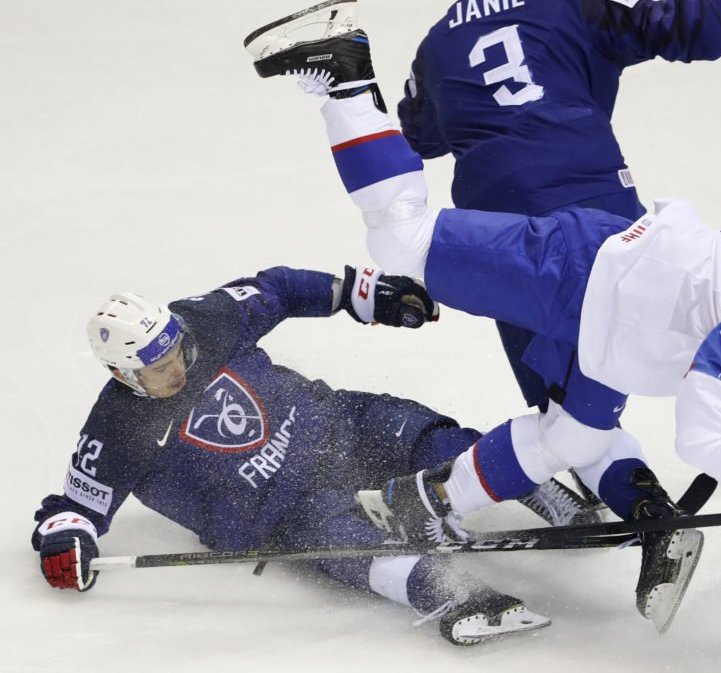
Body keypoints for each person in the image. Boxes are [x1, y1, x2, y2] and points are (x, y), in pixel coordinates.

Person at [246, 18, 721, 639]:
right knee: (400, 244)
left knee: (577, 434)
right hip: (586, 273)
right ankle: (344, 74)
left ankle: (421, 503)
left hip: (625, 331)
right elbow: (702, 427)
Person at [31, 265, 555, 645]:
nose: (178, 370)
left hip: (336, 423)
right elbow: (76, 508)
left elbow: (277, 289)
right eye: (158, 369)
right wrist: (65, 542)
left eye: (177, 353)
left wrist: (362, 294)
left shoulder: (203, 322)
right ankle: (459, 595)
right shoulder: (119, 427)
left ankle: (535, 482)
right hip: (285, 510)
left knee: (421, 431)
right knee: (348, 547)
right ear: (123, 375)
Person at [398, 0, 721, 412]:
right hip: (589, 190)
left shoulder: (436, 42)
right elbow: (696, 29)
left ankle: (605, 469)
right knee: (693, 331)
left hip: (494, 213)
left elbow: (421, 138)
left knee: (561, 396)